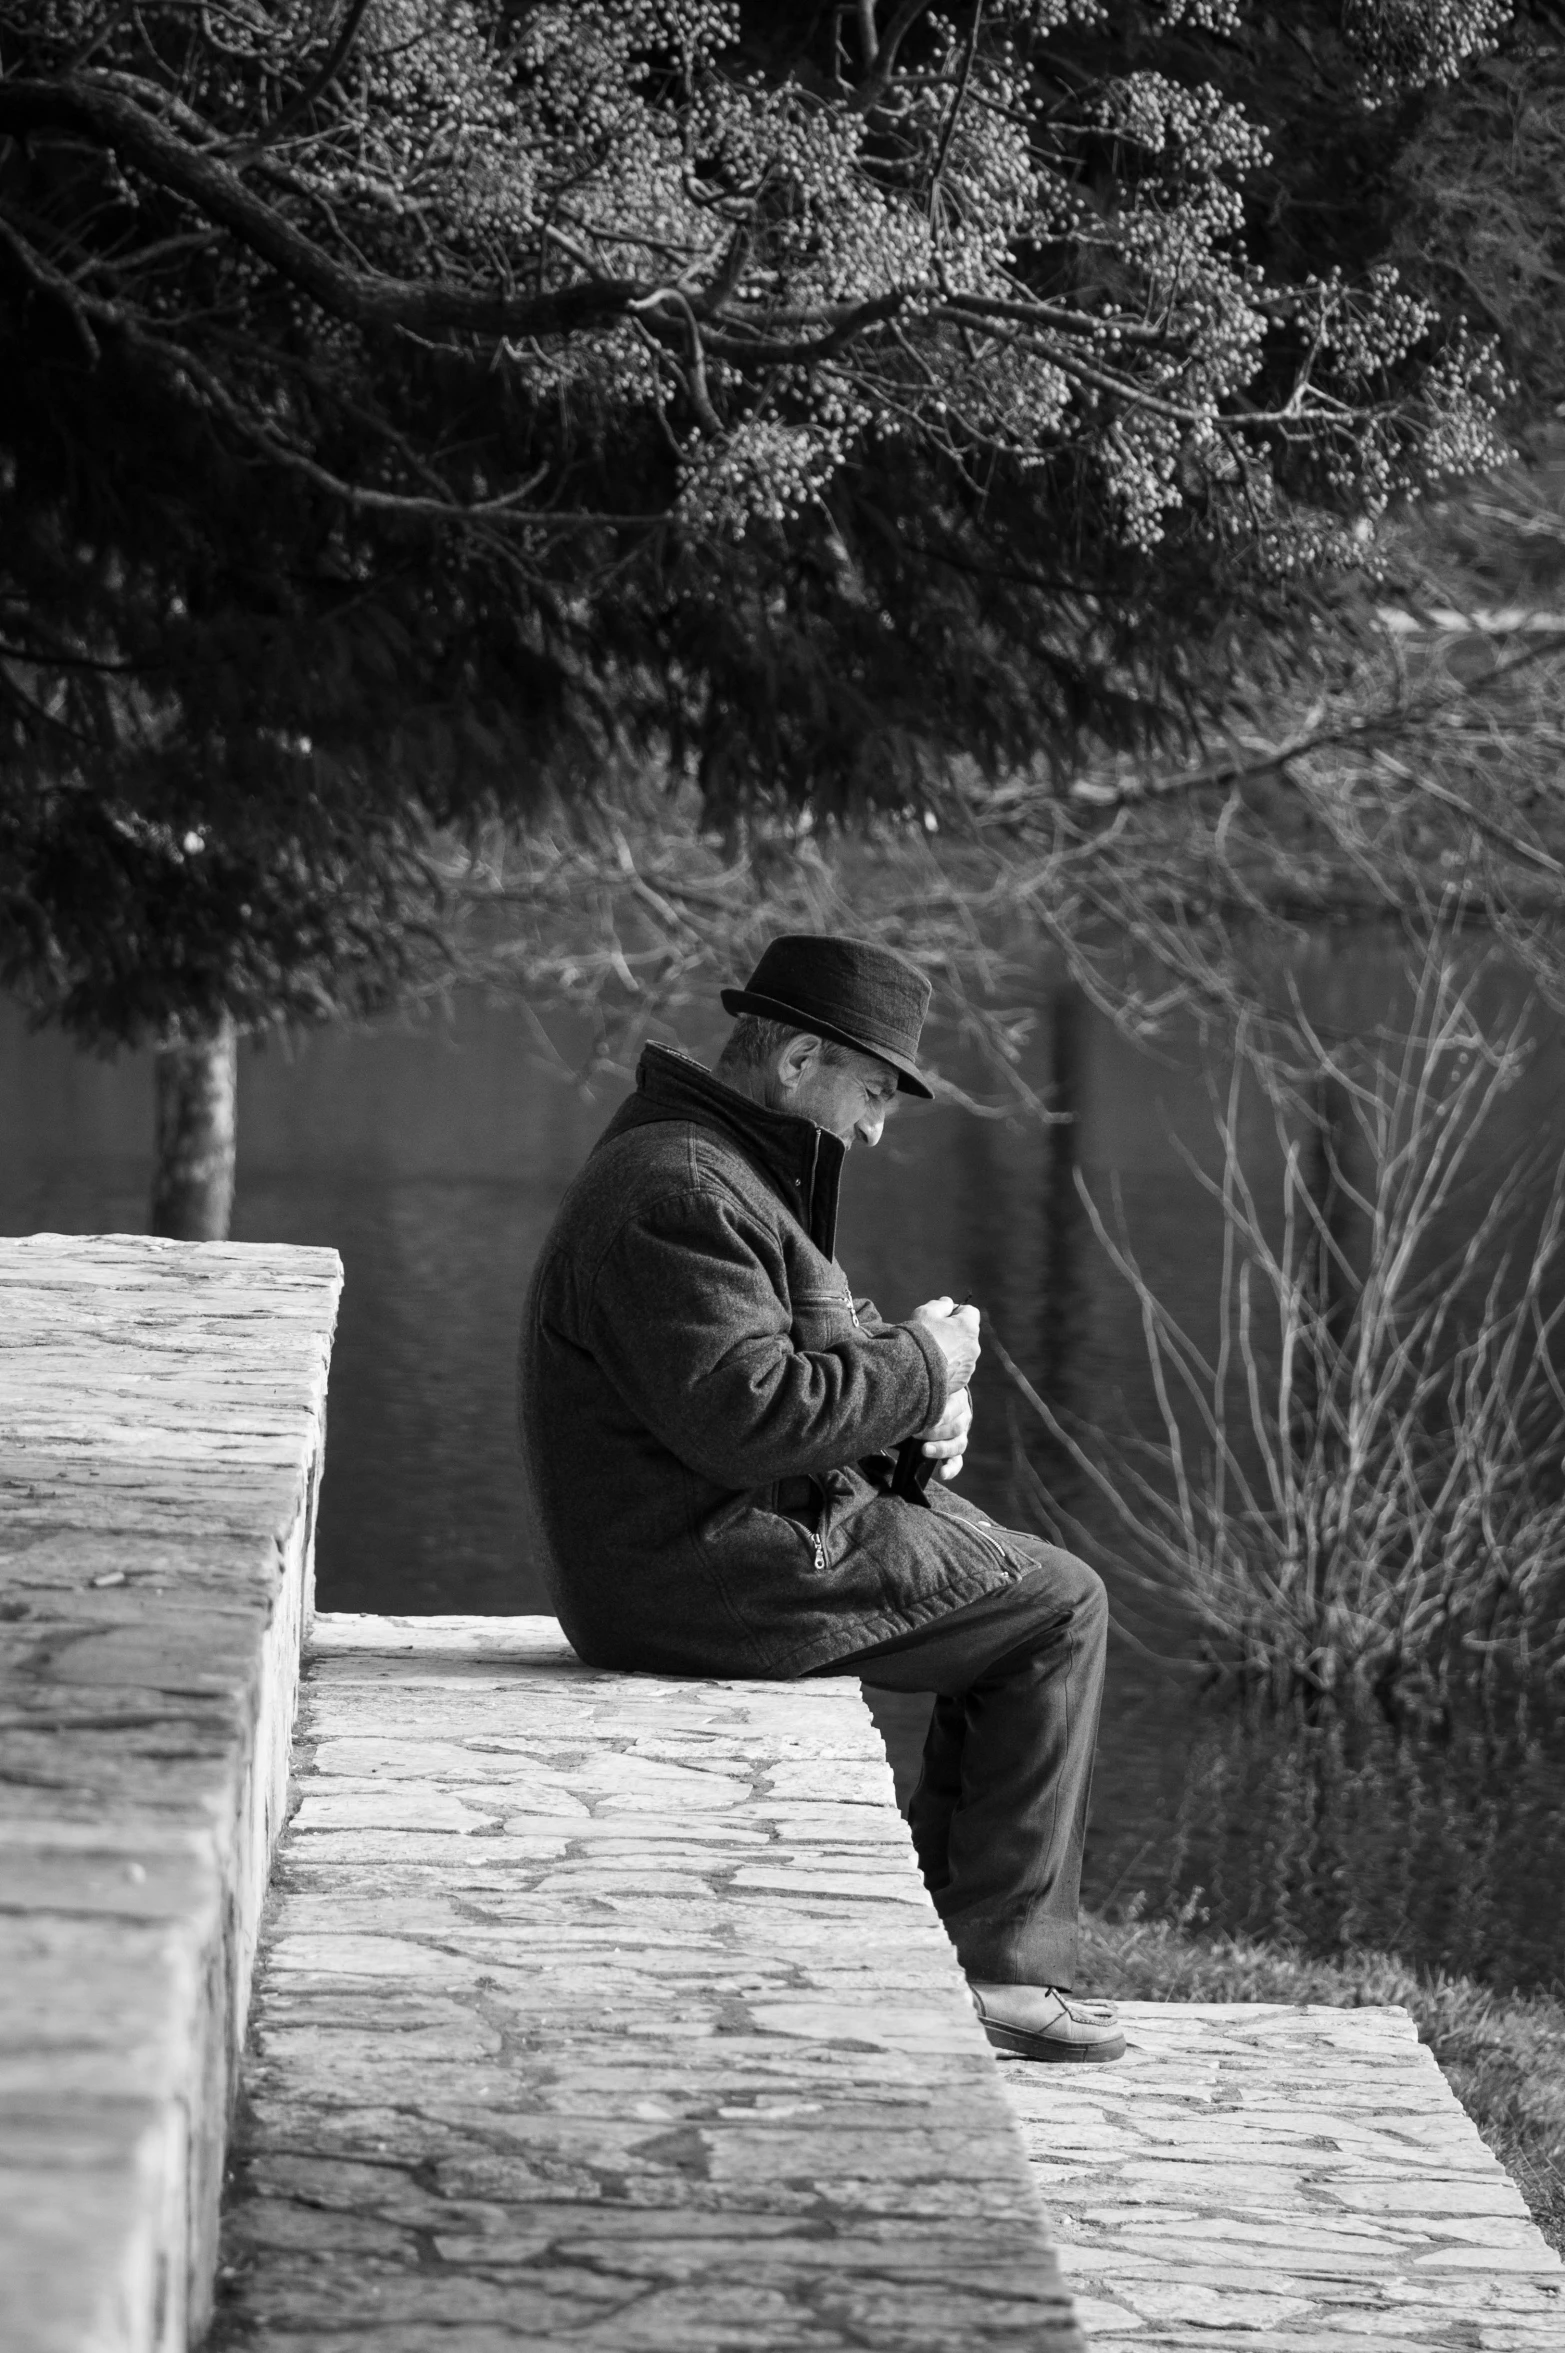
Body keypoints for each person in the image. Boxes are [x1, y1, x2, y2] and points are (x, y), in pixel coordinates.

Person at [519, 934, 1122, 2062]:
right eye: (875, 1091)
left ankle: (960, 1957)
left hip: (700, 1547)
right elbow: (750, 1420)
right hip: (690, 1574)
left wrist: (916, 1411)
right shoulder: (681, 1192)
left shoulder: (713, 1170)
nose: (879, 1125)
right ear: (798, 1061)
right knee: (1055, 1607)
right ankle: (991, 1971)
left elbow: (790, 1366)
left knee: (1017, 1592)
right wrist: (926, 1367)